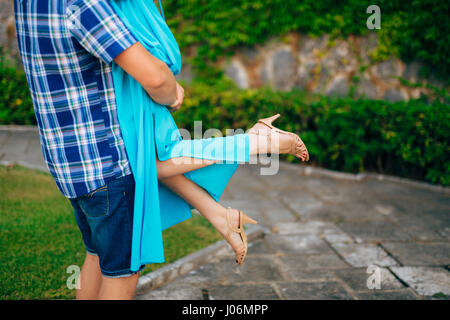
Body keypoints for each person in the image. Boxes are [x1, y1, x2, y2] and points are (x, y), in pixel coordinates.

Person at [14, 0, 308, 300]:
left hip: (70, 166)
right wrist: (171, 93)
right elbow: (156, 78)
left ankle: (226, 203)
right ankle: (256, 142)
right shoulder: (82, 4)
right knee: (121, 271)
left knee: (97, 255)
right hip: (108, 163)